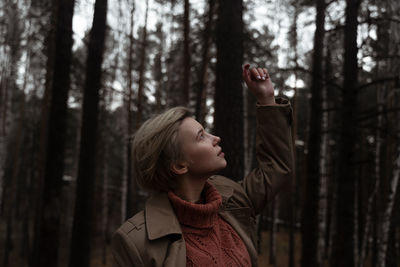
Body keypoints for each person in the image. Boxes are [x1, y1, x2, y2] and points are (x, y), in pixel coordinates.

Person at [111, 64, 294, 267]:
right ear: (179, 165)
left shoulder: (233, 199)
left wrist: (266, 99)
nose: (215, 138)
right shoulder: (136, 242)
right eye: (201, 137)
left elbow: (275, 168)